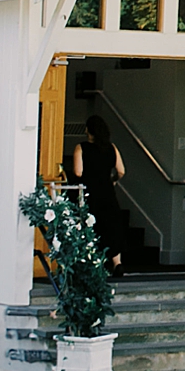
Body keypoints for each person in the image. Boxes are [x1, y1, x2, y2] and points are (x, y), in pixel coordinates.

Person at [72, 112, 129, 275]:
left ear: (88, 130)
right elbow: (121, 171)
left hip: (90, 190)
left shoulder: (81, 147)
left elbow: (78, 172)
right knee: (112, 225)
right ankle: (117, 262)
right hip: (107, 190)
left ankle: (93, 261)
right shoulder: (112, 148)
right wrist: (113, 179)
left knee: (92, 224)